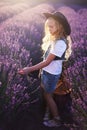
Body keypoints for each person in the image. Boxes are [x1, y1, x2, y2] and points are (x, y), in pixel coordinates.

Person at [18, 11, 72, 127]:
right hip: (48, 73)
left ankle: (56, 119)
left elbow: (47, 62)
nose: (50, 29)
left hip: (51, 74)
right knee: (48, 94)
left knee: (48, 95)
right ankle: (48, 112)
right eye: (48, 27)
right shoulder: (55, 39)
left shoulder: (60, 43)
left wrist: (29, 69)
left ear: (60, 26)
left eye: (52, 27)